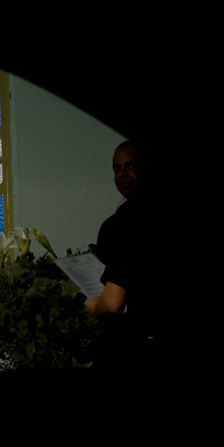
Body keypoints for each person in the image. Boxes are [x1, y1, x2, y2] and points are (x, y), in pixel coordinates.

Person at [85, 139, 152, 369]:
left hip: (136, 347)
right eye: (116, 168)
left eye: (131, 166)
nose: (122, 174)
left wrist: (91, 306)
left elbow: (112, 304)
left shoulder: (124, 221)